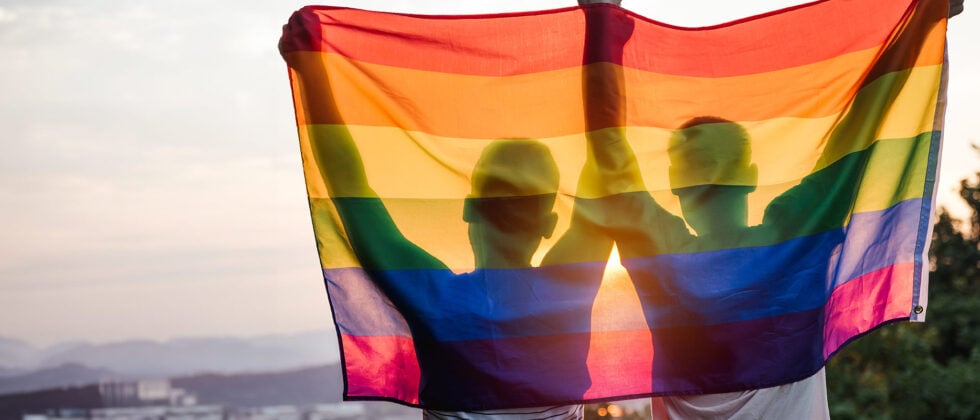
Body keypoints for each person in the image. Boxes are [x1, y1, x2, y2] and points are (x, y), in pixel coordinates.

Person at [580, 0, 960, 418]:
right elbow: (859, 126)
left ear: (675, 185)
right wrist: (922, 19)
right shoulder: (793, 236)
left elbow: (608, 151)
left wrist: (601, 26)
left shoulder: (665, 252)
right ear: (751, 175)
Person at [282, 26, 613, 418]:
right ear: (548, 221)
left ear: (469, 208)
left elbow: (347, 184)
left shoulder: (433, 298)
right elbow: (609, 162)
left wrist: (312, 71)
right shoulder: (568, 287)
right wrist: (601, 30)